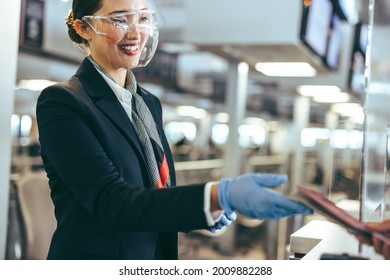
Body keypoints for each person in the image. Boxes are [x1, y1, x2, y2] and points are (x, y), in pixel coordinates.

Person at [36, 0, 312, 260]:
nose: (135, 33)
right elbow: (111, 202)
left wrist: (208, 211)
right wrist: (215, 194)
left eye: (142, 18)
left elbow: (155, 190)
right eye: (119, 19)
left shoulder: (147, 103)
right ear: (83, 28)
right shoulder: (63, 102)